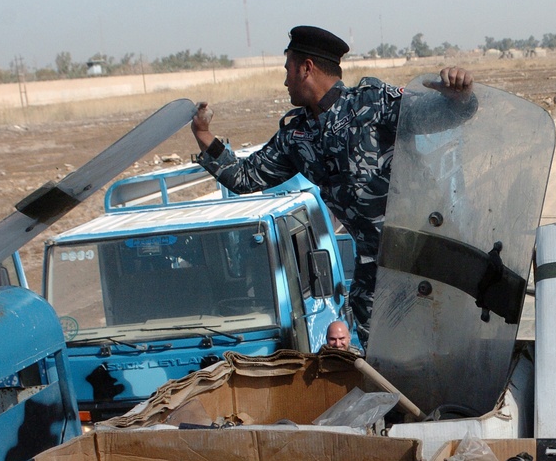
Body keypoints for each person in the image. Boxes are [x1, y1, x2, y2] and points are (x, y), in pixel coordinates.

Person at [190, 25, 476, 349]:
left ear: (306, 68)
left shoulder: (372, 104)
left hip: (424, 258)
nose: (285, 81)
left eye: (287, 70)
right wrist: (203, 134)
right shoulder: (296, 136)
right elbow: (245, 177)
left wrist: (460, 96)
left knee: (448, 349)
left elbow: (440, 116)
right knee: (387, 364)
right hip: (375, 273)